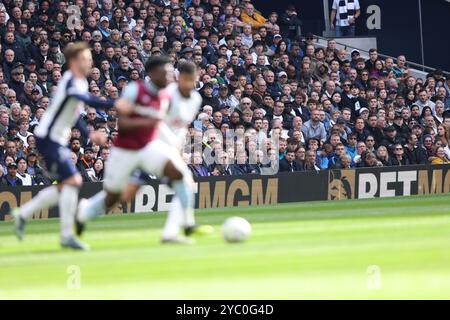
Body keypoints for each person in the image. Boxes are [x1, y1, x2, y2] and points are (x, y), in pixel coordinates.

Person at [76, 57, 210, 244]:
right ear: (153, 74)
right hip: (125, 151)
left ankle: (181, 228)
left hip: (151, 148)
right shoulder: (138, 90)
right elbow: (124, 123)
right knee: (115, 198)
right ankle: (84, 212)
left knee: (182, 178)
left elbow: (173, 127)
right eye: (168, 73)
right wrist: (150, 121)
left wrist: (174, 148)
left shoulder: (175, 96)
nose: (171, 77)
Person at [11, 42, 112, 250]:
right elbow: (81, 98)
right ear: (74, 62)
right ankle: (65, 235)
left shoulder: (81, 82)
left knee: (68, 184)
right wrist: (112, 104)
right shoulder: (69, 81)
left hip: (55, 139)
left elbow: (75, 117)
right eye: (86, 59)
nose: (90, 62)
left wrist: (89, 134)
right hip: (48, 137)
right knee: (73, 181)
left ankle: (23, 214)